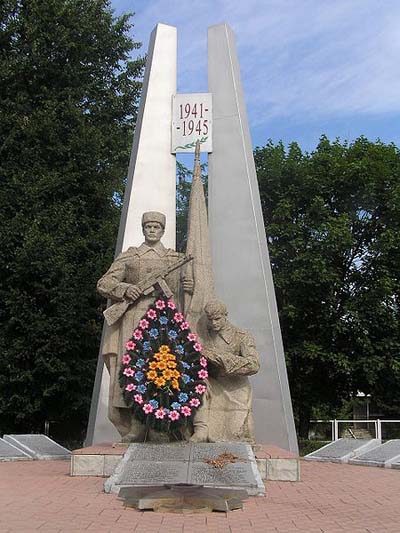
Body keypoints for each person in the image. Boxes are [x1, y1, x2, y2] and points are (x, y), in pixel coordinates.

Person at [97, 211, 193, 441]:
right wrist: (125, 289)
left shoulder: (173, 259)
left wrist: (188, 286)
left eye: (156, 227)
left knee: (164, 369)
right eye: (148, 227)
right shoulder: (130, 256)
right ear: (143, 229)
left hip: (164, 320)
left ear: (162, 230)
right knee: (134, 369)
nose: (152, 230)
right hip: (133, 317)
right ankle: (137, 425)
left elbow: (182, 293)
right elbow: (104, 283)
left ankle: (163, 423)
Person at [191, 299, 260, 443]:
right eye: (210, 320)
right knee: (198, 385)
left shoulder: (241, 336)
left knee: (234, 434)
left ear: (225, 315)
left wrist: (223, 359)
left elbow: (254, 364)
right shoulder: (203, 336)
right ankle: (201, 429)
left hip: (235, 387)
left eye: (217, 319)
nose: (214, 323)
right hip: (213, 383)